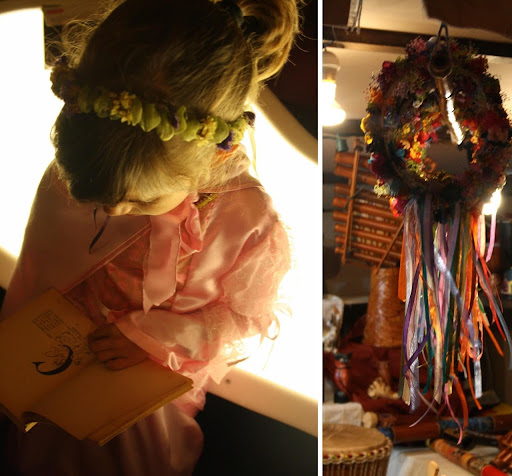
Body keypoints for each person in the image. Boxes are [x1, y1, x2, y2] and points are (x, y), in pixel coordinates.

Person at [0, 0, 299, 474]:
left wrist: (156, 337)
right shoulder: (87, 165)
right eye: (93, 196)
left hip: (152, 392)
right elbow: (38, 276)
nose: (113, 211)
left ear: (216, 158)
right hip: (53, 371)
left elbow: (243, 317)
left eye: (141, 201)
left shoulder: (243, 217)